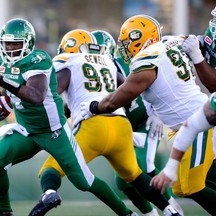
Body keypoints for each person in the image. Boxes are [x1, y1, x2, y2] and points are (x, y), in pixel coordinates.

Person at [0, 18, 141, 216]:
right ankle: (4, 211)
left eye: (16, 43)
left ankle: (127, 213)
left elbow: (36, 96)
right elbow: (9, 93)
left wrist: (3, 81)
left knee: (84, 182)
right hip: (27, 130)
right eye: (7, 43)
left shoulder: (39, 59)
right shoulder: (2, 63)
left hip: (54, 131)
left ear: (28, 43)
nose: (11, 48)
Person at [28, 29, 182, 216]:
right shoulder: (108, 61)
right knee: (135, 175)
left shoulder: (70, 62)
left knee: (50, 168)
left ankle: (50, 193)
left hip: (93, 127)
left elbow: (53, 93)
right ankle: (169, 210)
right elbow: (126, 88)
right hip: (121, 126)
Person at [80, 14, 216, 215]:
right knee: (206, 179)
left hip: (198, 125)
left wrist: (94, 107)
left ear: (140, 39)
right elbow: (190, 41)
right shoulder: (169, 43)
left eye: (128, 43)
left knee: (186, 187)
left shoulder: (148, 60)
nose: (124, 48)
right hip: (192, 124)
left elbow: (116, 100)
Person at [92, 30, 183, 216]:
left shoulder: (127, 63)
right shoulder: (88, 77)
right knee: (122, 181)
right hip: (125, 127)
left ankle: (173, 208)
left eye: (96, 54)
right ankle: (151, 214)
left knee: (144, 167)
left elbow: (154, 85)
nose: (93, 60)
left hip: (145, 121)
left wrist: (157, 113)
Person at [151, 92, 216, 193]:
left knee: (191, 186)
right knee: (180, 189)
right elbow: (191, 126)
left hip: (192, 115)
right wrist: (171, 166)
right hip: (194, 121)